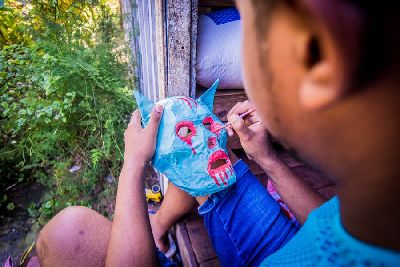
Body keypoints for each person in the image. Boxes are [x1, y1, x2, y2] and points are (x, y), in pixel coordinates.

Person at [36, 0, 400, 266]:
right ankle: (160, 225)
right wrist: (267, 159)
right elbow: (328, 224)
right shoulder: (373, 216)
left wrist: (134, 162)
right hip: (304, 242)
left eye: (255, 40)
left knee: (66, 232)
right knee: (68, 234)